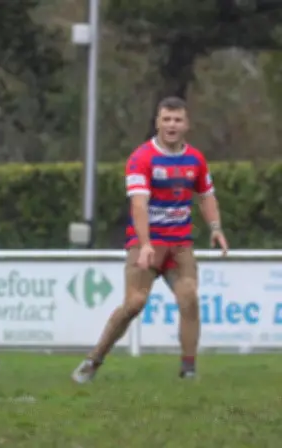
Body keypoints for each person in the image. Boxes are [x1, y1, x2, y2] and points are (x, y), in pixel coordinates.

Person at [72, 96, 229, 383]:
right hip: (146, 243)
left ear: (187, 124)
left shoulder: (195, 159)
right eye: (166, 119)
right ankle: (93, 361)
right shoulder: (142, 158)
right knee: (134, 304)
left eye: (177, 119)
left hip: (180, 245)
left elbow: (206, 195)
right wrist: (145, 245)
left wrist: (216, 228)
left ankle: (189, 369)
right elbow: (139, 205)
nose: (172, 125)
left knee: (189, 298)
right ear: (157, 122)